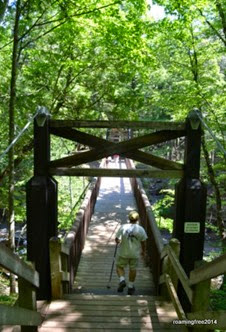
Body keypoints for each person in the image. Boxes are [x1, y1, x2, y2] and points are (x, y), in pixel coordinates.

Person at [115, 210, 148, 295]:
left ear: (128, 218)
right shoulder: (141, 229)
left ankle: (122, 280)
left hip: (123, 253)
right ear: (137, 219)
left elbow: (117, 239)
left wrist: (118, 241)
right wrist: (143, 251)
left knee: (119, 267)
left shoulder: (123, 227)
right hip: (135, 254)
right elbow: (143, 242)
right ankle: (130, 287)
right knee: (133, 269)